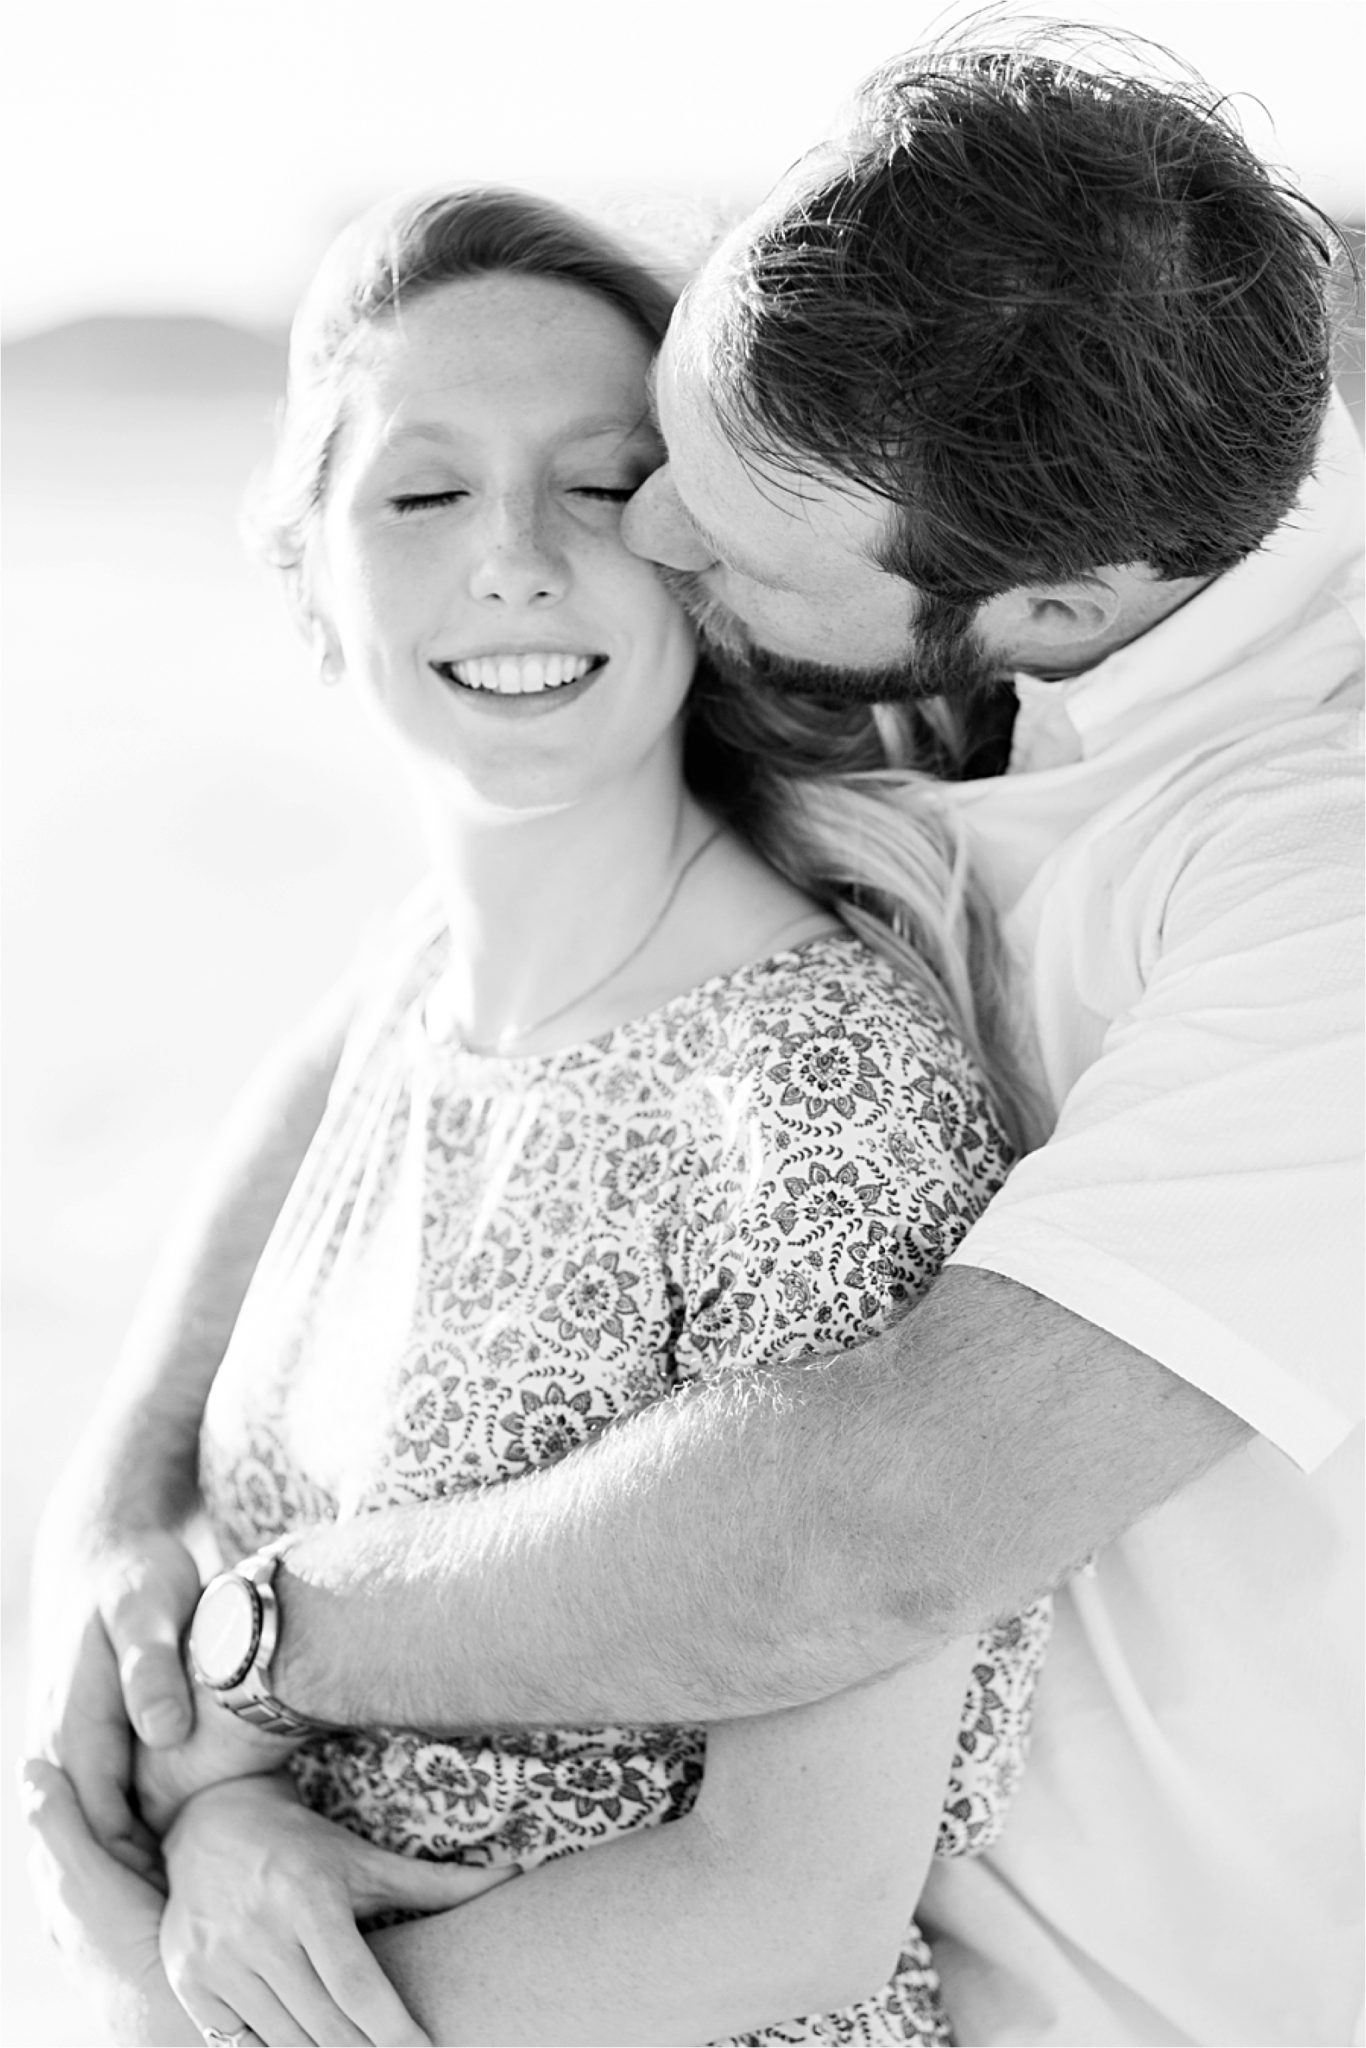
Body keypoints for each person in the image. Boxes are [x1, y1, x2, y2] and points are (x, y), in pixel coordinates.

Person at [27, 24, 1362, 2046]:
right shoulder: (958, 451)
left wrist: (245, 1646)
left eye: (688, 526)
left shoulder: (1301, 885)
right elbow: (412, 1016)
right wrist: (126, 1528)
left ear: (1050, 611)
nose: (619, 548)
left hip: (1159, 1996)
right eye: (674, 443)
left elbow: (875, 1517)